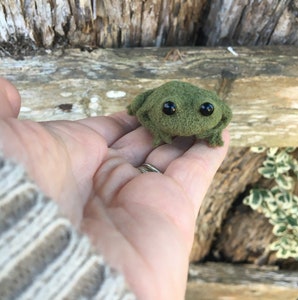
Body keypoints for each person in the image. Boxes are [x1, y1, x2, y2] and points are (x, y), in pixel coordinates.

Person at [0, 77, 229, 299]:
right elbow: (141, 109)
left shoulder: (220, 112)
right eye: (170, 109)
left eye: (206, 110)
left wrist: (214, 131)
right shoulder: (153, 103)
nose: (187, 120)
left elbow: (226, 114)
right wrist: (158, 129)